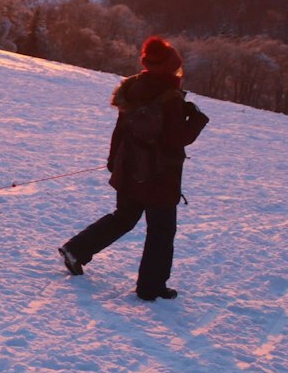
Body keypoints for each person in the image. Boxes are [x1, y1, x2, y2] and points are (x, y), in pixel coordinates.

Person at [59, 36, 210, 301]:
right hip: (160, 175)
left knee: (124, 217)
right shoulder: (170, 98)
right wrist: (196, 120)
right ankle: (151, 287)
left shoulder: (132, 88)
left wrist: (113, 161)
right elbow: (176, 139)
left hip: (130, 168)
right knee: (161, 230)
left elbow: (120, 131)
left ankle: (77, 249)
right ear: (169, 68)